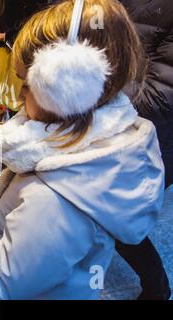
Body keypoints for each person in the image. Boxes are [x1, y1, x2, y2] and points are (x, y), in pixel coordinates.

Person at [0, 0, 165, 299]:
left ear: (66, 85)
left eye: (27, 85)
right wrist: (9, 194)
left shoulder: (55, 199)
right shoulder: (85, 145)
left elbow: (7, 278)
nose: (19, 95)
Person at [112, 0, 172, 300]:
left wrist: (90, 90)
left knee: (122, 222)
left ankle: (158, 289)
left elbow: (160, 98)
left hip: (155, 141)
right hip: (116, 130)